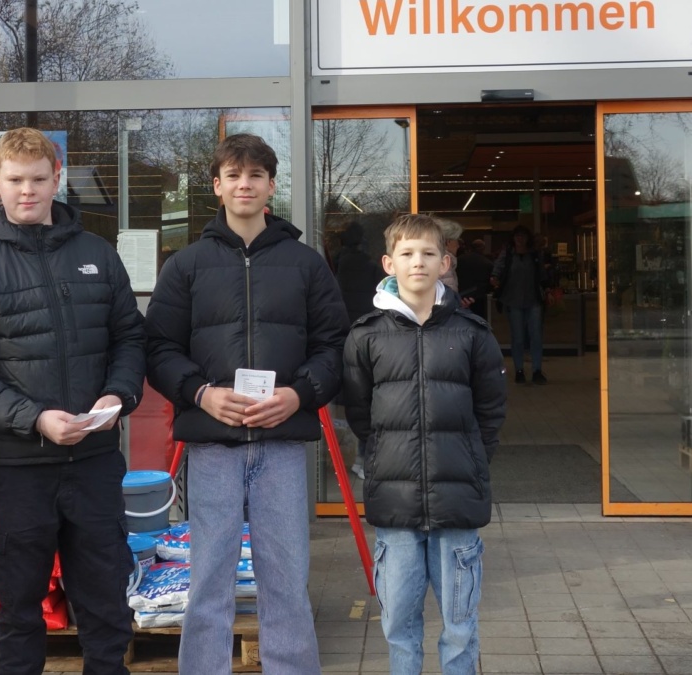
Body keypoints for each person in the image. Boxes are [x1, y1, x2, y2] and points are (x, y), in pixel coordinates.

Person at [0, 127, 145, 675]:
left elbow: (129, 338)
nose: (26, 191)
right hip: (18, 467)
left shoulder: (97, 254)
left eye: (37, 179)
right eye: (14, 180)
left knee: (105, 599)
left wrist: (118, 395)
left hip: (95, 462)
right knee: (19, 604)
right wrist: (35, 420)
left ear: (58, 179)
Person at [145, 133, 349, 674]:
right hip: (212, 449)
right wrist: (201, 394)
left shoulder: (306, 265)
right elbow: (158, 348)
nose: (244, 184)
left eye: (255, 175)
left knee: (285, 578)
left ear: (271, 186)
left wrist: (298, 394)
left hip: (281, 449)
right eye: (234, 175)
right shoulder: (185, 266)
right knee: (208, 577)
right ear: (216, 186)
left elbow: (336, 345)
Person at [342, 213, 507, 675]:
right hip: (394, 504)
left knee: (460, 626)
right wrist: (380, 460)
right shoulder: (366, 334)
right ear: (388, 263)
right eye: (407, 253)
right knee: (398, 624)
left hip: (457, 502)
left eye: (429, 253)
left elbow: (491, 409)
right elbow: (359, 412)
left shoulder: (472, 333)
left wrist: (474, 458)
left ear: (445, 262)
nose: (418, 262)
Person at [333, 220, 383, 479]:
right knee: (371, 396)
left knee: (356, 395)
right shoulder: (369, 265)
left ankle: (358, 458)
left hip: (346, 329)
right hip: (369, 330)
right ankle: (364, 458)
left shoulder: (338, 263)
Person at [492, 225, 550, 384]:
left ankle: (536, 370)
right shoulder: (509, 254)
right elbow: (498, 268)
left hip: (533, 299)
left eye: (523, 236)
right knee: (518, 337)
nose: (520, 239)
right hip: (513, 299)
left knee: (535, 336)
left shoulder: (534, 254)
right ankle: (519, 370)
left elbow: (542, 275)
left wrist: (546, 289)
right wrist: (495, 278)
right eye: (517, 236)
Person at [456, 238, 494, 321]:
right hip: (479, 296)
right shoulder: (487, 262)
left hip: (462, 294)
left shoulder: (459, 260)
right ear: (483, 248)